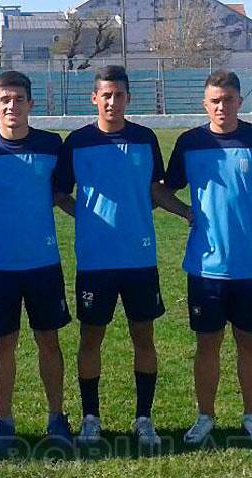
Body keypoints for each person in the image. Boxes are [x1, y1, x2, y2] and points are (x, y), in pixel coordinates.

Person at [52, 65, 192, 448]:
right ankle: (90, 418)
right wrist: (87, 215)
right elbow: (61, 193)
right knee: (90, 338)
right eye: (105, 95)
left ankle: (144, 418)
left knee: (143, 336)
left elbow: (155, 190)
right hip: (95, 260)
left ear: (129, 98)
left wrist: (185, 212)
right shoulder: (77, 142)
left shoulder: (145, 139)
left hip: (139, 259)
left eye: (119, 95)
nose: (112, 102)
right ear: (94, 98)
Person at [163, 70, 252, 448]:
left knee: (250, 342)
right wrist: (186, 213)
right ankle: (205, 416)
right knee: (208, 344)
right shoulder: (189, 143)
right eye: (214, 100)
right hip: (206, 265)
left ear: (239, 102)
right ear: (205, 103)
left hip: (251, 264)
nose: (221, 106)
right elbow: (163, 190)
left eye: (228, 100)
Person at [0, 71, 74, 455]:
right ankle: (3, 420)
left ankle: (56, 417)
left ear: (30, 103)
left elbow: (61, 193)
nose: (12, 106)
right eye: (5, 100)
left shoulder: (51, 145)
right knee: (3, 343)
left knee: (49, 340)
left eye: (19, 99)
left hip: (43, 263)